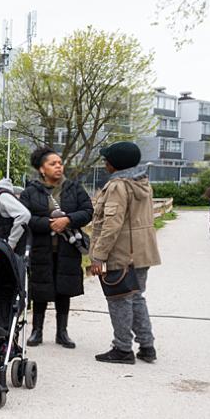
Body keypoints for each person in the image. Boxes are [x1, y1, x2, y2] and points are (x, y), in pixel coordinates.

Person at [89, 142, 161, 364]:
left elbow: (112, 224)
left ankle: (122, 349)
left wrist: (98, 255)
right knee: (136, 297)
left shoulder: (118, 186)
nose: (104, 163)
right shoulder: (142, 183)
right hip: (142, 252)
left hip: (122, 254)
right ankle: (147, 346)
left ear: (115, 164)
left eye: (106, 160)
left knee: (119, 300)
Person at [19, 147, 94, 349]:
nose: (58, 166)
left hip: (67, 248)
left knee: (64, 289)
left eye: (60, 163)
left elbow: (88, 211)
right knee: (40, 289)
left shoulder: (74, 188)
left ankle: (62, 332)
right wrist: (48, 223)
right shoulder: (30, 192)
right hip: (41, 248)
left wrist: (68, 220)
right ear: (42, 169)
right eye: (53, 164)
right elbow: (24, 217)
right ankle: (37, 331)